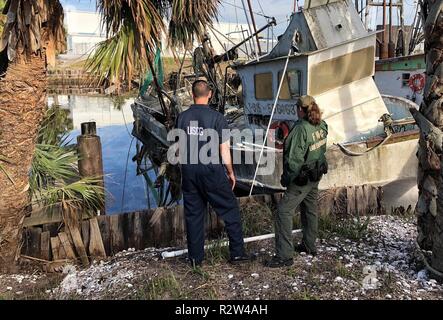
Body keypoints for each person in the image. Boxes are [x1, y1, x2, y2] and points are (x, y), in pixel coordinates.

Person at [175, 79, 251, 267]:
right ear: (209, 94)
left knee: (193, 215)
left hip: (189, 171)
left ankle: (195, 259)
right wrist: (231, 172)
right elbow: (224, 150)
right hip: (211, 171)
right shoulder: (217, 118)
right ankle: (237, 253)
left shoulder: (182, 118)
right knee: (230, 209)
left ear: (193, 95)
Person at [266, 95, 328, 268]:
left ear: (300, 109)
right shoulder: (322, 124)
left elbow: (293, 160)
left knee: (283, 212)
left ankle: (284, 255)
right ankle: (309, 245)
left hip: (302, 178)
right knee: (310, 209)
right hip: (316, 174)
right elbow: (322, 148)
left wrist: (286, 179)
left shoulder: (300, 129)